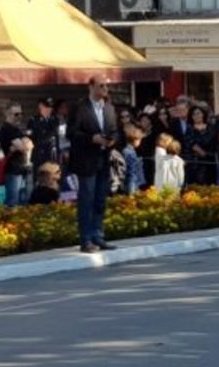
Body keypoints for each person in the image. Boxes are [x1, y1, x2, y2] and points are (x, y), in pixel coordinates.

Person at [69, 77, 119, 253]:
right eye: (102, 86)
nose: (105, 89)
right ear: (91, 87)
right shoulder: (80, 107)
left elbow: (115, 131)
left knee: (100, 200)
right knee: (87, 200)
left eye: (107, 85)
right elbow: (72, 133)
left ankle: (98, 235)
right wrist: (91, 139)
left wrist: (112, 141)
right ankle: (86, 240)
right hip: (86, 161)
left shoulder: (110, 108)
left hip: (103, 160)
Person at [0, 103, 33, 207]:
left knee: (24, 201)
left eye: (21, 114)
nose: (19, 117)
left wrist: (23, 144)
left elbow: (30, 144)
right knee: (13, 201)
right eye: (16, 114)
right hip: (13, 170)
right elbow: (24, 147)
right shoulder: (6, 129)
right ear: (8, 114)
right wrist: (24, 144)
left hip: (22, 168)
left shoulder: (16, 129)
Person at [27, 98, 60, 178]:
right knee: (39, 181)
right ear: (41, 107)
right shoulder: (34, 120)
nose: (49, 110)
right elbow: (31, 137)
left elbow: (56, 137)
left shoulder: (55, 119)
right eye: (47, 107)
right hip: (39, 155)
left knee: (53, 180)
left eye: (51, 107)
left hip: (52, 155)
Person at [121, 125, 145, 196]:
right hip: (131, 185)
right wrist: (131, 191)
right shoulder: (130, 153)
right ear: (135, 140)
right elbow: (131, 173)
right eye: (140, 140)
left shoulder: (125, 150)